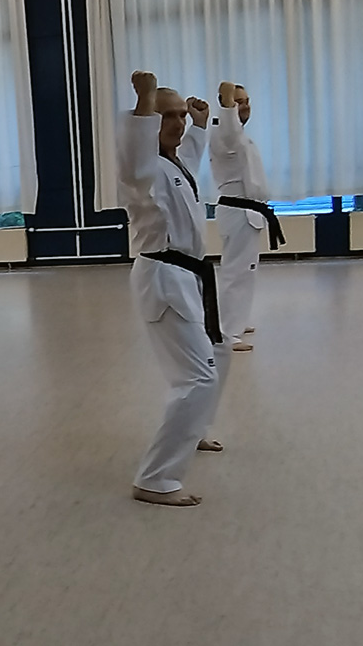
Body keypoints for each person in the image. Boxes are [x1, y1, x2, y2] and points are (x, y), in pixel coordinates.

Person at [117, 71, 231, 508]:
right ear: (148, 119)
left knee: (217, 353)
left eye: (181, 114)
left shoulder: (173, 164)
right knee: (197, 378)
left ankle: (194, 427)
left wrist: (200, 125)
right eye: (167, 115)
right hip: (165, 278)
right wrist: (145, 98)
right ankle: (156, 478)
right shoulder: (140, 168)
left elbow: (190, 160)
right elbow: (136, 156)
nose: (177, 123)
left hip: (188, 276)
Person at [209, 81, 284, 352]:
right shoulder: (224, 132)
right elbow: (230, 132)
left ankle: (235, 321)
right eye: (238, 101)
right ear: (226, 104)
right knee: (235, 272)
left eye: (247, 100)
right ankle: (227, 334)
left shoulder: (237, 134)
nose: (245, 106)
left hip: (247, 211)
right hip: (238, 211)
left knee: (245, 271)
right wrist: (227, 98)